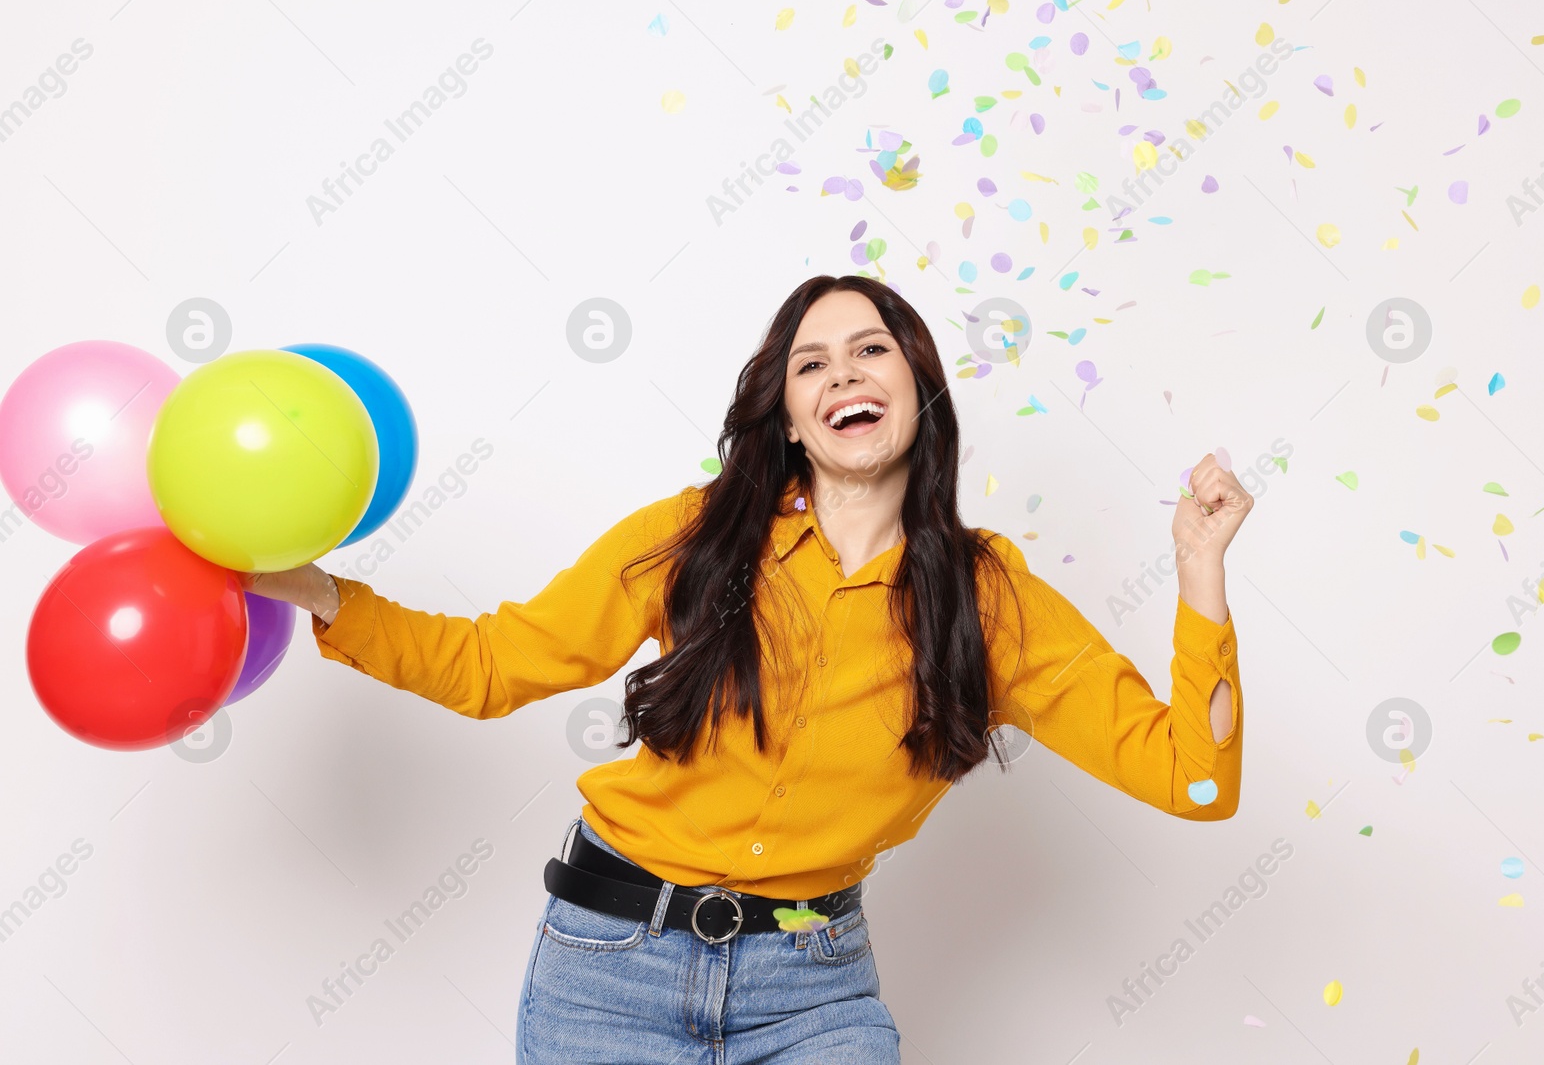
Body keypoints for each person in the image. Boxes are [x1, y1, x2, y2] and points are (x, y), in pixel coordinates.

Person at [243, 274, 1252, 1063]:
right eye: (811, 364)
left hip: (813, 995)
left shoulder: (991, 600)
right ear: (786, 413)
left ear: (918, 385)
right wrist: (328, 594)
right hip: (607, 970)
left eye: (870, 350)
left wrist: (1198, 572)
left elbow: (1195, 780)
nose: (843, 374)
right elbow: (492, 664)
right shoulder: (693, 536)